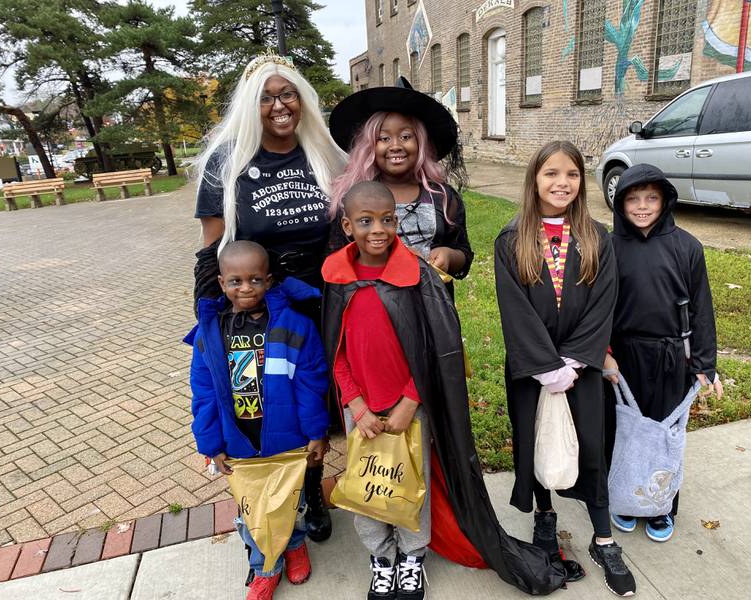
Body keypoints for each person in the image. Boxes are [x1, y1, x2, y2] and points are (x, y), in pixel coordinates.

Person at [321, 181, 567, 600]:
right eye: (365, 221)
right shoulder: (336, 277)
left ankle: (412, 557)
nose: (377, 229)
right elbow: (336, 351)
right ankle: (381, 558)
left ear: (396, 222)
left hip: (410, 405)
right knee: (368, 484)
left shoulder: (417, 275)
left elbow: (436, 348)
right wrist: (356, 404)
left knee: (412, 482)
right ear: (347, 226)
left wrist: (411, 400)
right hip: (359, 407)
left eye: (386, 220)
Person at [193, 53, 346, 543]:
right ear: (249, 106)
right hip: (261, 303)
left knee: (316, 399)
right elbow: (212, 248)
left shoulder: (326, 155)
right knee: (264, 400)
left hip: (323, 299)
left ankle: (311, 490)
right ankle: (273, 497)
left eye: (288, 94)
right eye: (266, 97)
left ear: (303, 100)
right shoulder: (226, 164)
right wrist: (209, 314)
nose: (280, 105)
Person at [494, 141, 636, 597]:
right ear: (534, 179)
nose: (562, 183)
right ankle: (544, 518)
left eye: (572, 174)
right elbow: (514, 309)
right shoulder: (511, 240)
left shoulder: (597, 238)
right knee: (536, 439)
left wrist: (574, 360)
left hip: (583, 366)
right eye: (551, 173)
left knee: (591, 445)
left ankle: (603, 537)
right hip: (531, 367)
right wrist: (546, 367)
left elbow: (604, 303)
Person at [185, 240, 329, 600]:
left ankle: (294, 545)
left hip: (287, 440)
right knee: (252, 510)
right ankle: (265, 567)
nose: (246, 288)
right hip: (239, 443)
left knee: (291, 503)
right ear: (222, 283)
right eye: (236, 281)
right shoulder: (209, 334)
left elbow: (311, 383)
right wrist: (210, 444)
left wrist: (316, 432)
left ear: (269, 280)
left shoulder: (294, 326)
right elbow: (203, 393)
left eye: (255, 279)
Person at [603, 163, 723, 543]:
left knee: (664, 434)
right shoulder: (609, 247)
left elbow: (701, 309)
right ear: (620, 204)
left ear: (665, 200)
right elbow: (597, 308)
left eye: (651, 198)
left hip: (671, 357)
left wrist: (704, 364)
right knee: (623, 432)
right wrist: (602, 354)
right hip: (623, 357)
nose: (642, 207)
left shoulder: (687, 247)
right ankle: (625, 498)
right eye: (633, 199)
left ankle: (661, 506)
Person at [327, 77, 473, 288]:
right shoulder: (354, 199)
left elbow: (463, 253)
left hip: (431, 301)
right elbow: (336, 257)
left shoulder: (441, 197)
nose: (395, 145)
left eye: (406, 136)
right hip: (374, 299)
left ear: (421, 142)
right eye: (384, 138)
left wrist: (450, 256)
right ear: (370, 146)